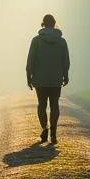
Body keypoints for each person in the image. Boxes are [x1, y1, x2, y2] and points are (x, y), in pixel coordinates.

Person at [26, 14, 70, 144]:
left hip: (40, 79)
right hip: (56, 79)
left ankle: (44, 129)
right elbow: (65, 61)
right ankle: (54, 132)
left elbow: (31, 60)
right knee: (54, 104)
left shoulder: (36, 41)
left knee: (42, 104)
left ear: (43, 24)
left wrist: (29, 76)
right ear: (54, 23)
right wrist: (65, 75)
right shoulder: (61, 41)